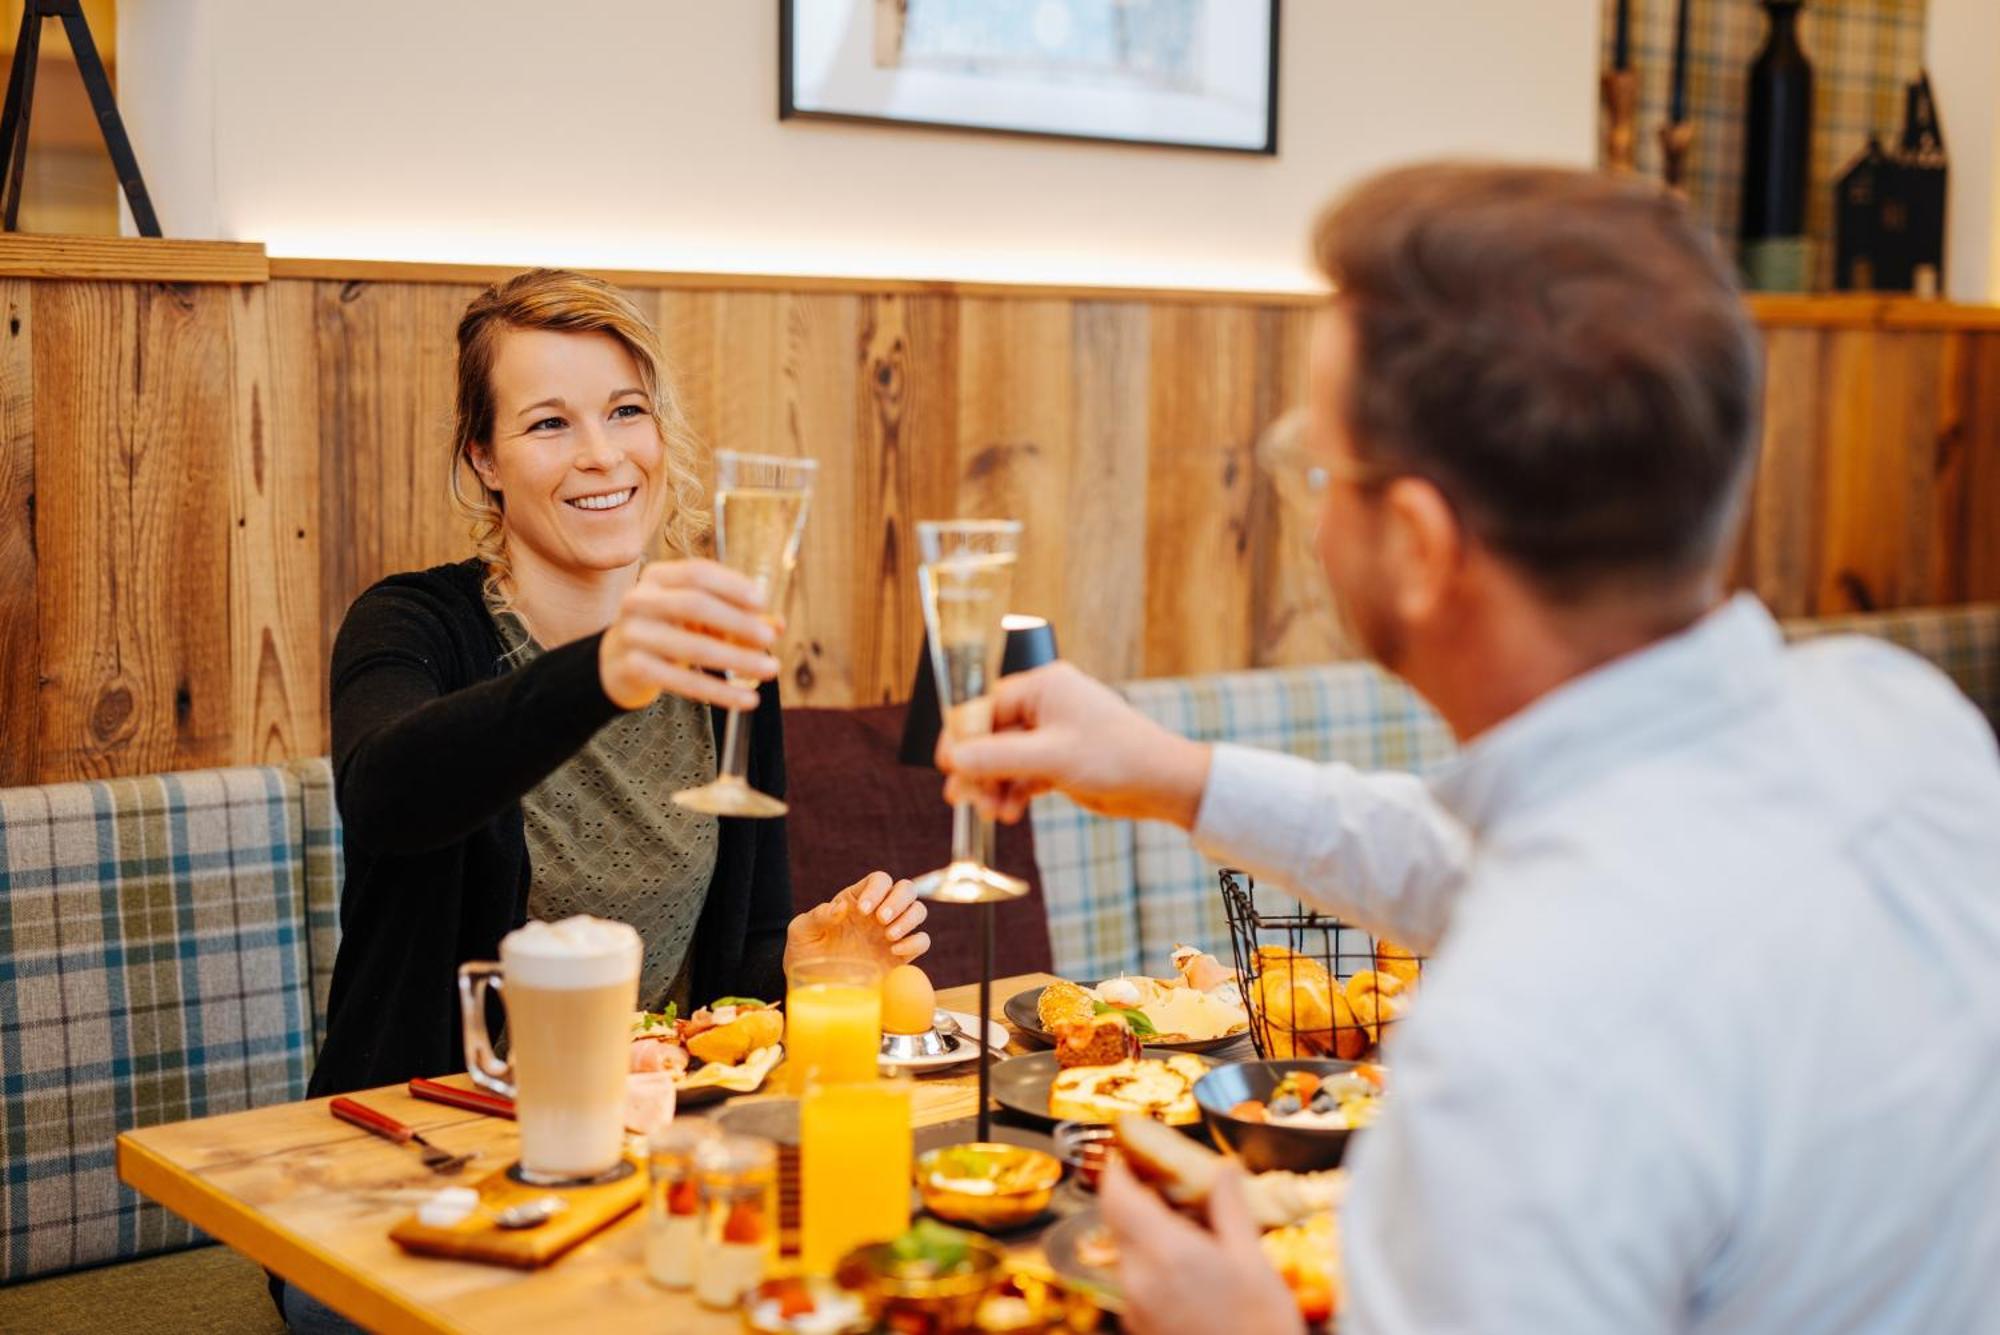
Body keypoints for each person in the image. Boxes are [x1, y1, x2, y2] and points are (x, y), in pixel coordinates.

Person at [941, 165, 2000, 1333]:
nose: (1312, 509)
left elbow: (1569, 936)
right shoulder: (1906, 723)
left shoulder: (1515, 1047)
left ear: (1414, 541)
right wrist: (1176, 775)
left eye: (1316, 469)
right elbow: (1503, 871)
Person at [309, 268, 929, 1094]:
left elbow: (724, 974)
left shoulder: (720, 653)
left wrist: (801, 970)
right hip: (426, 1143)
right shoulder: (415, 625)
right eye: (549, 423)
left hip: (645, 1138)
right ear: (484, 458)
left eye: (626, 411)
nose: (601, 454)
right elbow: (387, 795)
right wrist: (603, 670)